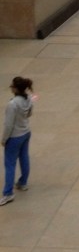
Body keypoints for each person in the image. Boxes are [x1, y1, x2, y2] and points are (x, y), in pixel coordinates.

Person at [1, 76, 34, 206]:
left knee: (9, 164)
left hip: (14, 136)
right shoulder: (28, 99)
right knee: (24, 157)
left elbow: (8, 125)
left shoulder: (12, 104)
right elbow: (29, 114)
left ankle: (8, 193)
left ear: (15, 88)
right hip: (26, 132)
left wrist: (4, 139)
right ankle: (23, 182)